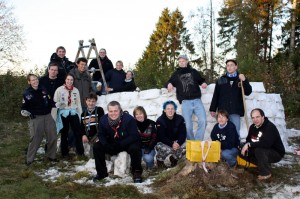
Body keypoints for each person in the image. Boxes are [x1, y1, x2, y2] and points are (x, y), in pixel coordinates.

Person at [93, 101, 143, 183]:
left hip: (126, 142)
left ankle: (136, 172)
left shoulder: (129, 119)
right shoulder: (103, 119)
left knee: (135, 148)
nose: (113, 113)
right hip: (111, 143)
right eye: (111, 111)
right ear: (108, 111)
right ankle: (101, 173)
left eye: (115, 111)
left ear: (120, 110)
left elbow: (134, 135)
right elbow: (101, 134)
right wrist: (105, 144)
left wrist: (120, 144)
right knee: (97, 147)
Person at [166, 55, 207, 140]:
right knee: (188, 126)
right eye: (180, 61)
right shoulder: (176, 74)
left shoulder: (193, 71)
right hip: (185, 102)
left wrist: (203, 83)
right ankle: (191, 143)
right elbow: (169, 82)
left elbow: (201, 80)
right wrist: (168, 84)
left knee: (203, 120)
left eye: (183, 61)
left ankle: (198, 142)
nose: (181, 63)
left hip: (197, 100)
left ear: (187, 61)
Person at [21, 74, 57, 165]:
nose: (35, 81)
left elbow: (50, 101)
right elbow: (24, 107)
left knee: (52, 136)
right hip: (36, 118)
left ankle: (51, 156)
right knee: (36, 139)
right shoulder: (27, 93)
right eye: (32, 80)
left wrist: (55, 105)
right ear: (29, 82)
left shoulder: (43, 89)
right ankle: (29, 159)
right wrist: (24, 112)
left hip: (48, 116)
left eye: (36, 79)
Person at [209, 59, 252, 136]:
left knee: (235, 130)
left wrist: (244, 80)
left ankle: (236, 147)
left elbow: (248, 92)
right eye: (228, 65)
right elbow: (216, 95)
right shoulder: (221, 79)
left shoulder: (240, 79)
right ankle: (224, 147)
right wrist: (213, 108)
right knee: (223, 131)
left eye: (232, 65)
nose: (229, 67)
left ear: (236, 67)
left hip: (236, 109)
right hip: (223, 110)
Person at [240, 108, 285, 180]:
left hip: (275, 152)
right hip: (261, 149)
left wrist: (249, 145)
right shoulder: (252, 127)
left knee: (259, 150)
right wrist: (245, 145)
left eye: (257, 117)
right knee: (241, 147)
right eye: (253, 118)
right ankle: (262, 164)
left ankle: (266, 173)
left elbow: (266, 144)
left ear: (263, 117)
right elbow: (249, 140)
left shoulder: (269, 127)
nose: (255, 120)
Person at [54, 73, 84, 157]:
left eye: (71, 80)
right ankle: (64, 152)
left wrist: (80, 114)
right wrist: (59, 104)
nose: (69, 81)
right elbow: (55, 102)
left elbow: (78, 103)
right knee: (64, 133)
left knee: (77, 132)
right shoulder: (59, 90)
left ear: (73, 81)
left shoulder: (75, 90)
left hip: (74, 112)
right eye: (68, 79)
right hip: (64, 113)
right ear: (65, 80)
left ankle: (80, 151)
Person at [155, 100, 187, 167]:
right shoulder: (160, 120)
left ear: (175, 110)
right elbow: (161, 137)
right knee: (165, 148)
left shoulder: (180, 119)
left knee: (187, 146)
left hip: (176, 142)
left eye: (172, 109)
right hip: (163, 142)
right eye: (168, 109)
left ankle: (174, 159)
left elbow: (183, 134)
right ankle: (160, 161)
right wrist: (172, 144)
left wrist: (178, 143)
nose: (170, 110)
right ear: (164, 110)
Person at [81, 92, 104, 157]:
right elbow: (82, 126)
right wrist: (83, 135)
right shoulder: (83, 114)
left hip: (98, 135)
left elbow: (102, 123)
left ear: (96, 101)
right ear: (86, 101)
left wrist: (100, 135)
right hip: (89, 137)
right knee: (93, 156)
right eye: (89, 101)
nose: (91, 103)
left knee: (100, 151)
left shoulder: (99, 110)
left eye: (93, 101)